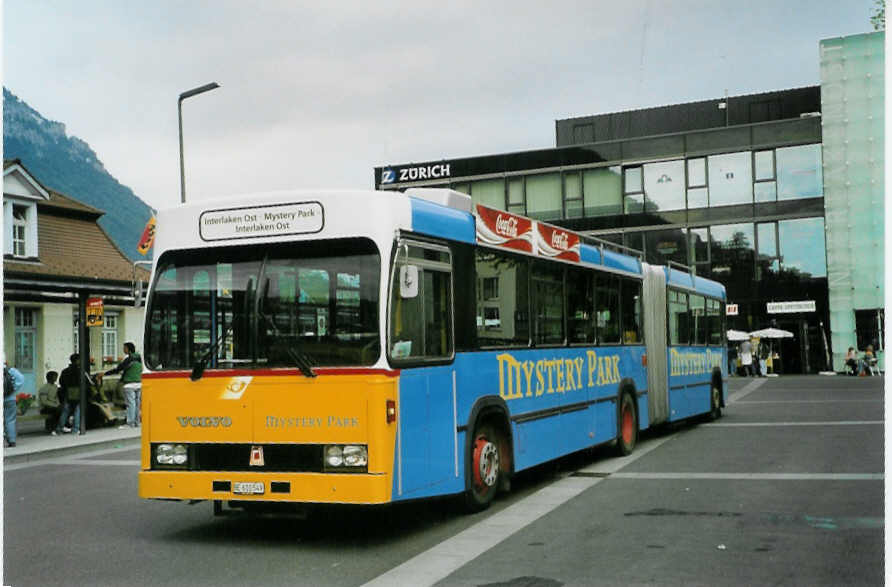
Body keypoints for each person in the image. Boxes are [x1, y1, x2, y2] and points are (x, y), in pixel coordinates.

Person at [104, 342, 142, 429]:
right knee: (137, 403)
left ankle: (130, 423)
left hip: (129, 384)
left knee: (130, 404)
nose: (123, 349)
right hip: (139, 383)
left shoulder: (129, 359)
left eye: (124, 348)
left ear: (128, 349)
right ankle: (137, 422)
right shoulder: (139, 358)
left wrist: (105, 374)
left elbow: (118, 369)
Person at [56, 354, 83, 435]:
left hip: (67, 392)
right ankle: (75, 429)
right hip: (77, 392)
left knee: (65, 411)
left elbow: (61, 382)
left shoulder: (65, 371)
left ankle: (59, 428)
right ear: (77, 360)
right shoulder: (80, 371)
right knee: (77, 411)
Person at [4, 361, 24, 447]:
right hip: (10, 399)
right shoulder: (10, 370)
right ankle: (12, 440)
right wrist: (13, 389)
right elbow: (21, 378)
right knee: (10, 420)